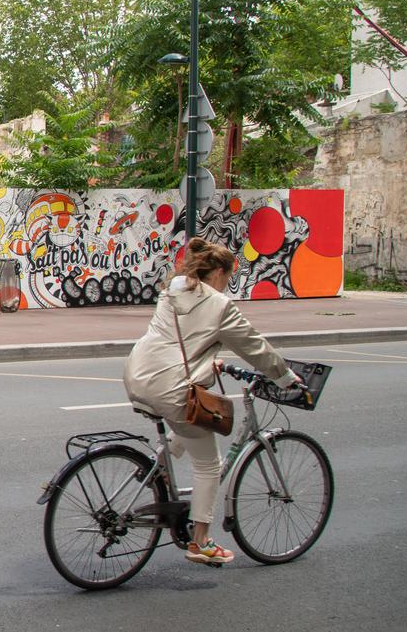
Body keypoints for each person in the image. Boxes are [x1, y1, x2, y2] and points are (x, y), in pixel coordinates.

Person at [123, 236, 302, 566]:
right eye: (229, 277)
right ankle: (200, 541)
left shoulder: (171, 291)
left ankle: (160, 469)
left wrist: (209, 361)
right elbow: (254, 347)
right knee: (208, 465)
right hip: (172, 387)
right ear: (218, 272)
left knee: (189, 421)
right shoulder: (219, 305)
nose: (228, 284)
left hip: (137, 375)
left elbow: (182, 341)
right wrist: (286, 377)